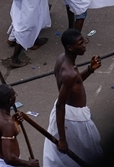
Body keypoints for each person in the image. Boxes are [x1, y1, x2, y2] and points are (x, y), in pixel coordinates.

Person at [43, 29, 103, 167]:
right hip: (73, 120)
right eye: (80, 43)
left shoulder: (62, 59)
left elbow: (76, 84)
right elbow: (60, 105)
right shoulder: (69, 73)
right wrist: (62, 139)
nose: (84, 45)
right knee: (89, 153)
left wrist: (90, 69)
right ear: (70, 47)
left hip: (70, 115)